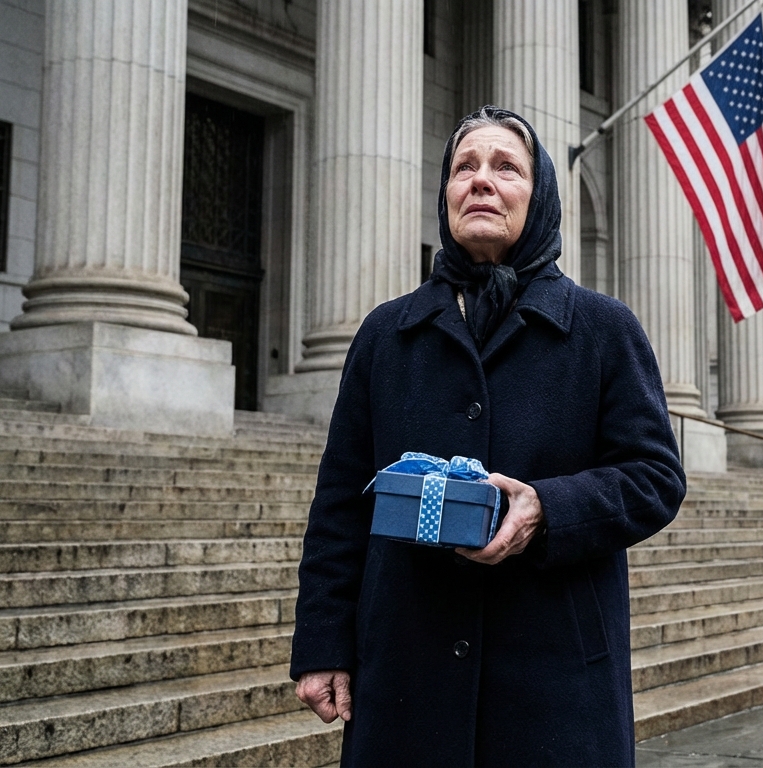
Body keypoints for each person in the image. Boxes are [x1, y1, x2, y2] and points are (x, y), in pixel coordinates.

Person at [289, 106, 686, 767]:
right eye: (464, 167)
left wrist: (548, 510)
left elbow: (656, 477)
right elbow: (339, 501)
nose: (480, 181)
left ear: (541, 196)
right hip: (406, 671)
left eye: (506, 167)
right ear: (444, 193)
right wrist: (323, 644)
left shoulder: (601, 329)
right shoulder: (386, 335)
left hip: (555, 679)